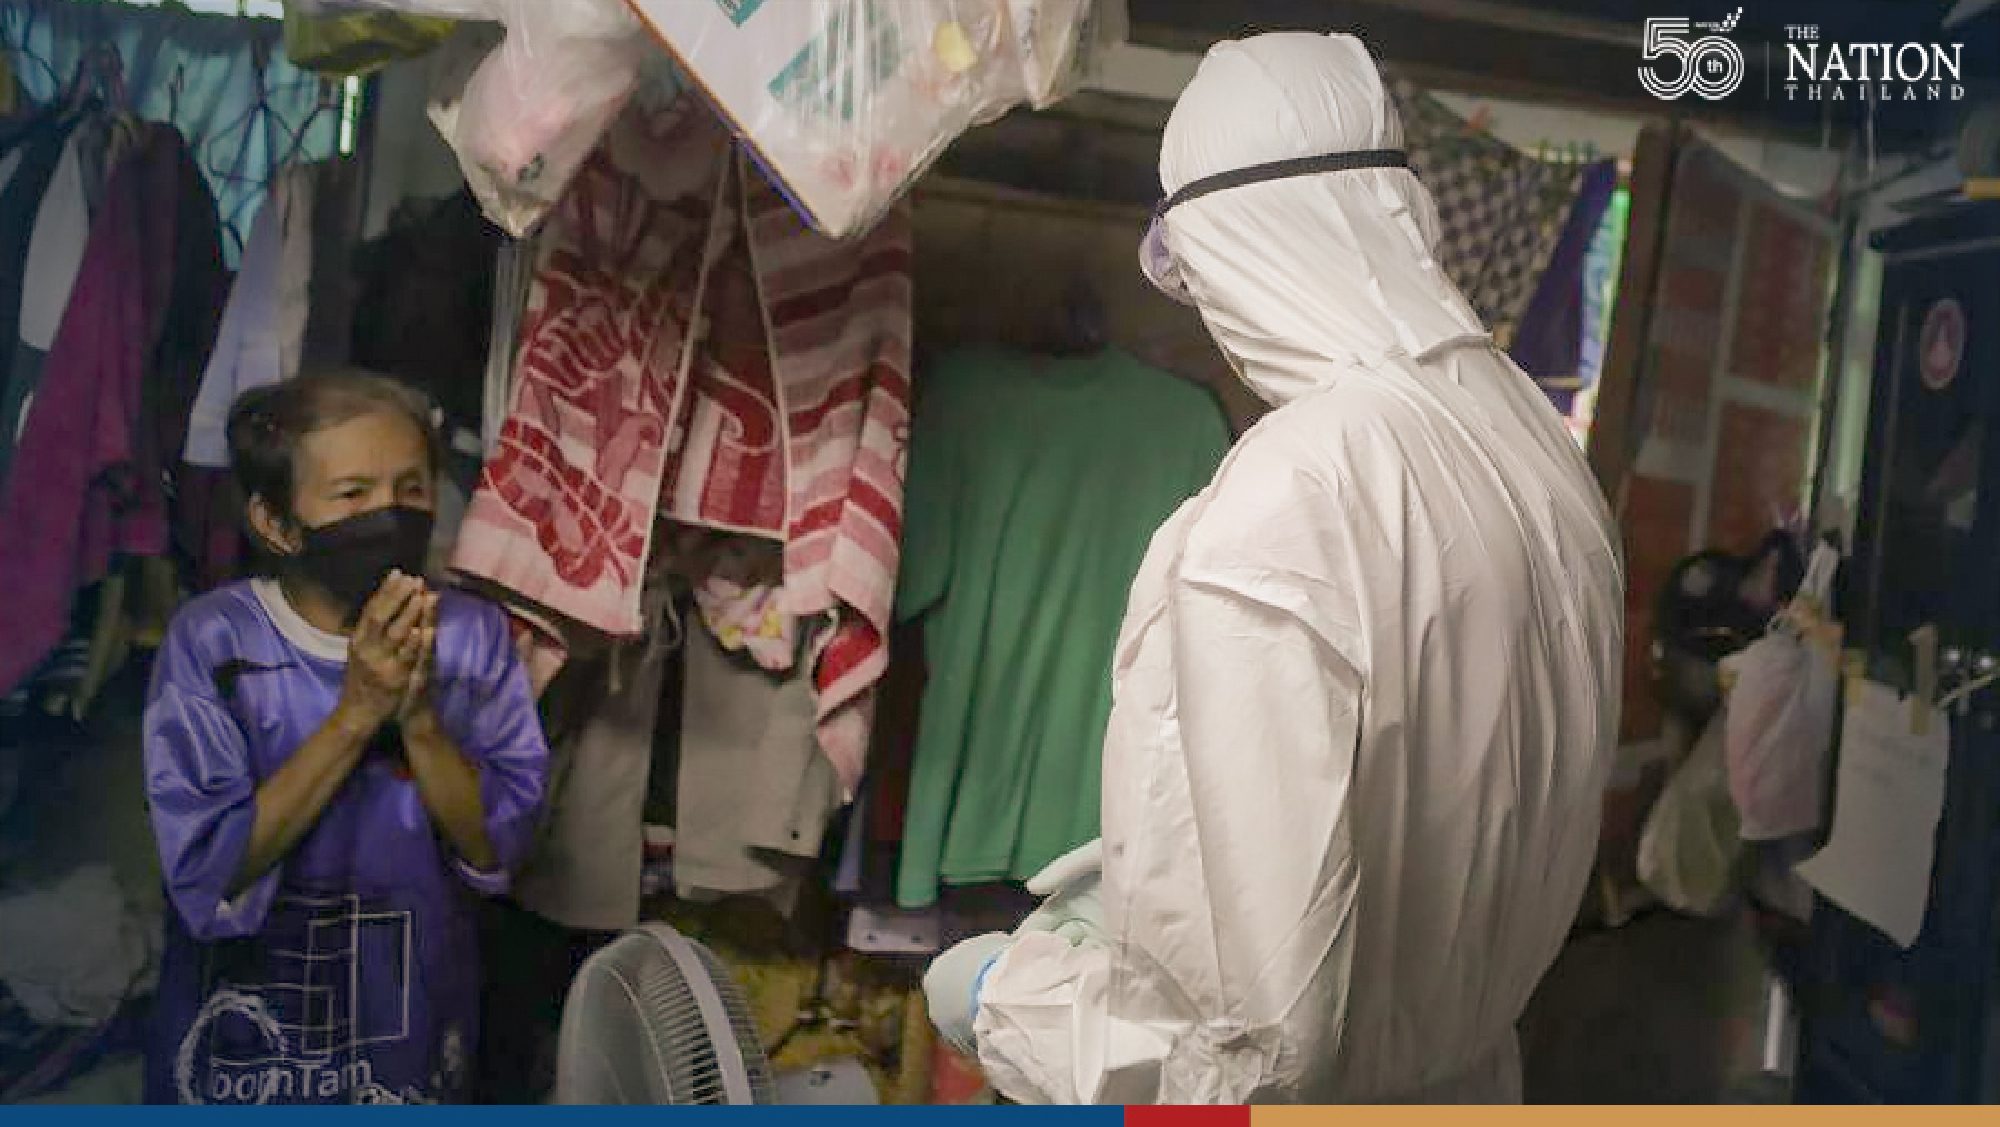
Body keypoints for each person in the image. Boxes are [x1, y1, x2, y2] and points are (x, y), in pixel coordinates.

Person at [924, 33, 1624, 1104]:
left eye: (1189, 268)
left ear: (1229, 246)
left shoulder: (1291, 498)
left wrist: (1004, 1005)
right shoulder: (1531, 441)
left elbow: (1256, 1050)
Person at [141, 368, 549, 1105]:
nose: (389, 515)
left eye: (411, 488)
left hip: (412, 1025)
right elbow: (207, 868)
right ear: (276, 523)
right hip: (246, 1033)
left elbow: (500, 846)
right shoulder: (215, 643)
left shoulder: (473, 636)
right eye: (353, 494)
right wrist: (356, 713)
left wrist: (419, 717)